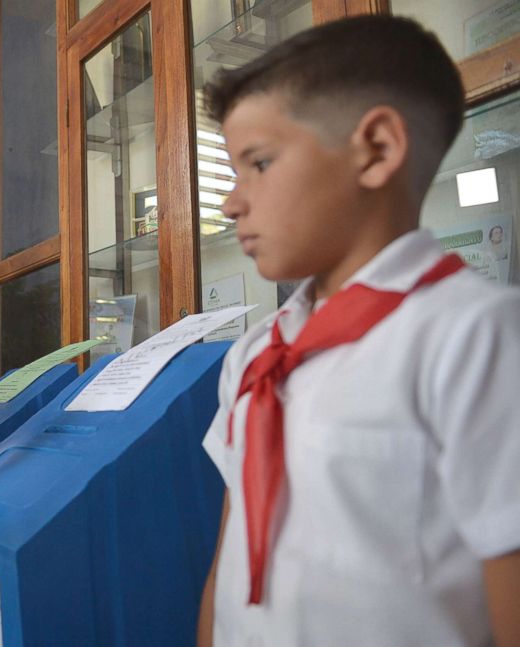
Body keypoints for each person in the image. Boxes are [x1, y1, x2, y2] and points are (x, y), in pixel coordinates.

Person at [195, 16, 520, 646]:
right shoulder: (257, 354)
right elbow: (229, 566)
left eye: (257, 163)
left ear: (375, 150)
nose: (232, 203)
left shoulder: (473, 337)